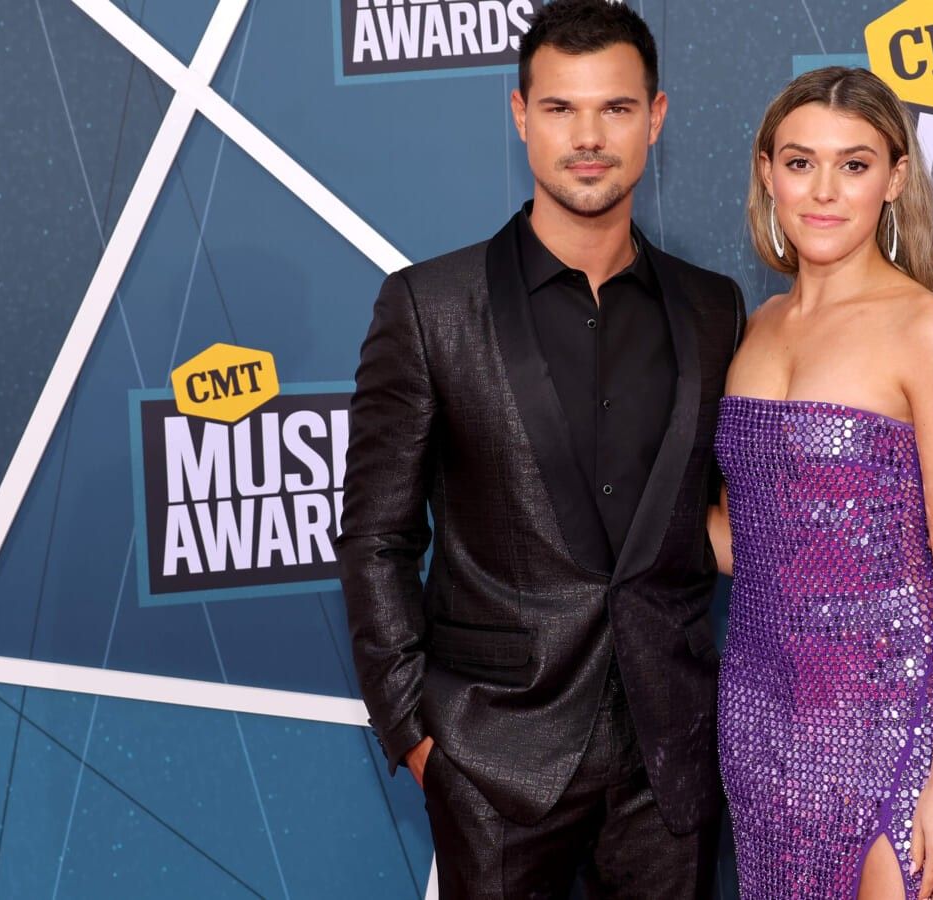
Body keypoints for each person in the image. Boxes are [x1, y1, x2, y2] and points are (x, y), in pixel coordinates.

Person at [333, 1, 745, 895]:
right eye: (560, 108)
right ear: (520, 116)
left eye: (616, 109)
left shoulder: (714, 310)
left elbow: (717, 516)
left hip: (668, 762)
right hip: (491, 759)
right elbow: (376, 538)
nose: (588, 137)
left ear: (657, 118)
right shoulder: (428, 308)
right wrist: (416, 735)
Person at [709, 67, 933, 900]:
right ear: (767, 172)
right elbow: (758, 543)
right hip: (762, 716)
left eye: (855, 164)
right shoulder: (753, 329)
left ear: (895, 177)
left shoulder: (926, 330)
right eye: (800, 164)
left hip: (898, 714)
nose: (824, 191)